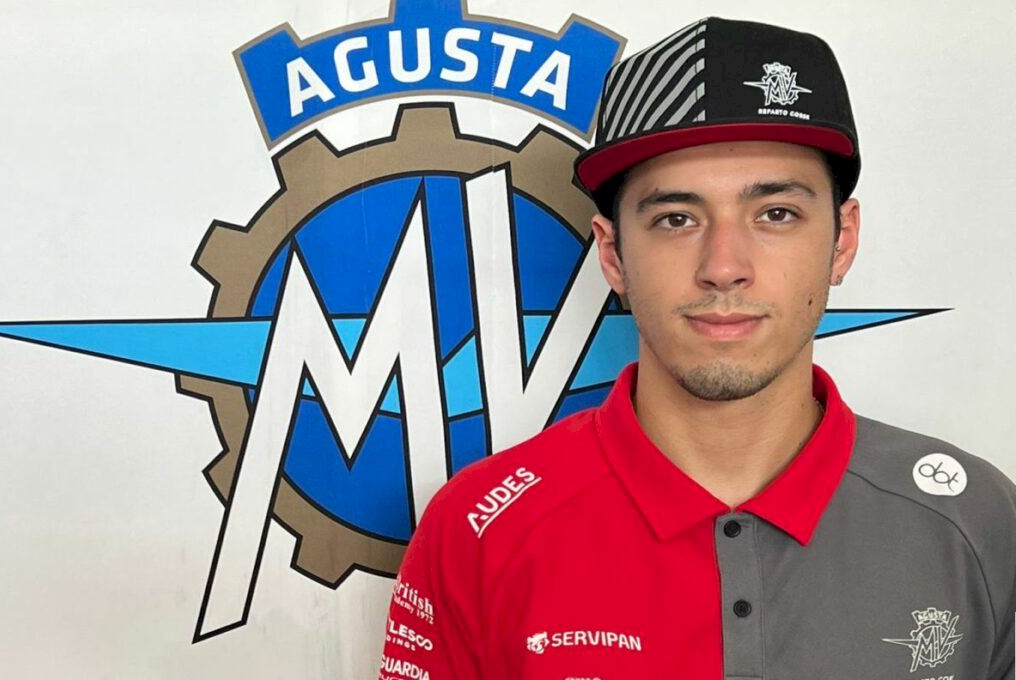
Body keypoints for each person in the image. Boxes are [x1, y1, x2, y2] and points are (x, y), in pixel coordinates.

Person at [377, 16, 1016, 680]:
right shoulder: (478, 531)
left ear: (842, 240)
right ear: (612, 254)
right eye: (676, 219)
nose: (724, 267)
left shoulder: (977, 523)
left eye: (776, 214)